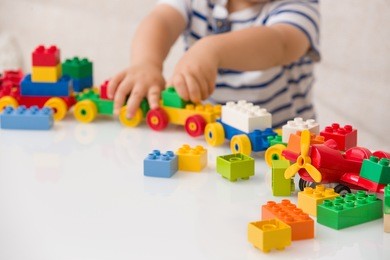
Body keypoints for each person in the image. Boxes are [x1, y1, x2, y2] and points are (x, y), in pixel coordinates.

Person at [108, 0, 320, 128]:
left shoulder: (298, 6)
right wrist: (146, 62)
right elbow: (161, 19)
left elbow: (279, 44)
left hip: (281, 144)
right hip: (208, 132)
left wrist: (213, 49)